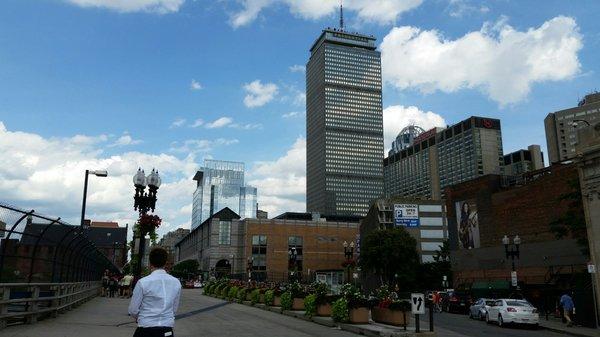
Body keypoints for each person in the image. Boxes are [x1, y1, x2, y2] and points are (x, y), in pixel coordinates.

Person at [128, 247, 181, 337]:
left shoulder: (143, 282)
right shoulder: (176, 282)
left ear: (150, 263)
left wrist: (140, 317)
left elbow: (133, 310)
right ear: (165, 263)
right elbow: (174, 309)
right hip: (166, 328)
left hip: (146, 328)